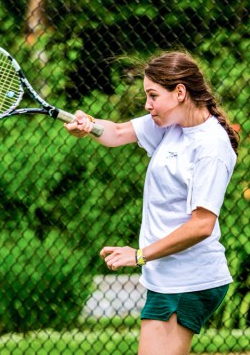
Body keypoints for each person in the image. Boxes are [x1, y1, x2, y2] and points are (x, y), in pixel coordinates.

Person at [64, 51, 239, 355]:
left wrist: (140, 256)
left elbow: (201, 225)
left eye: (153, 95)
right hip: (169, 276)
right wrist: (88, 124)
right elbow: (117, 132)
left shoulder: (210, 146)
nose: (147, 104)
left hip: (189, 279)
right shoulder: (170, 124)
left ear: (180, 92)